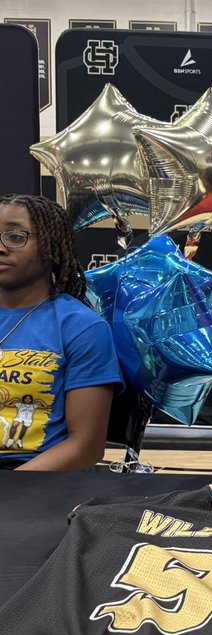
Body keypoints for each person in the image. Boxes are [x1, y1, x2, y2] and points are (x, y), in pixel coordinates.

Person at [0, 194, 122, 471]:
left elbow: (86, 447)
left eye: (15, 237)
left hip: (31, 484)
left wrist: (9, 489)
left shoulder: (82, 328)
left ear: (50, 245)